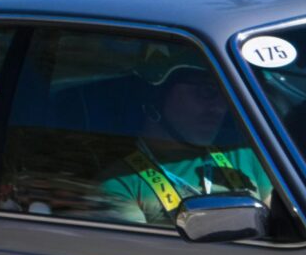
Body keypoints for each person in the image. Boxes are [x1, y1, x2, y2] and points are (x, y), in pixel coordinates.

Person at [96, 66, 276, 226]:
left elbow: (281, 229)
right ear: (156, 95)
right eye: (207, 91)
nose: (220, 108)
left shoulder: (246, 154)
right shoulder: (121, 183)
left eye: (225, 95)